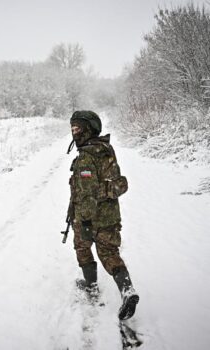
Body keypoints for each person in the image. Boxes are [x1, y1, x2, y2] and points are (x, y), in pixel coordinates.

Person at [66, 110, 139, 320]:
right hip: (110, 217)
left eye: (78, 128)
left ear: (89, 128)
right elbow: (116, 182)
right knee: (109, 254)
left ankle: (90, 287)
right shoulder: (106, 148)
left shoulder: (86, 157)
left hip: (89, 217)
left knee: (82, 248)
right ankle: (128, 291)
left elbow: (87, 193)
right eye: (72, 128)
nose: (74, 132)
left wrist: (86, 222)